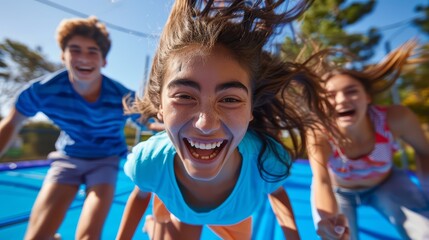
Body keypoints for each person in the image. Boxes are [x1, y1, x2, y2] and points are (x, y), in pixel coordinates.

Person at [121, 0, 346, 239]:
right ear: (160, 107)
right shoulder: (149, 161)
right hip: (181, 211)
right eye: (185, 96)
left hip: (234, 217)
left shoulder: (266, 160)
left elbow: (277, 192)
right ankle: (156, 224)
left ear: (251, 109)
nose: (206, 124)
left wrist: (293, 235)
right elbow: (141, 193)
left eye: (229, 100)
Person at [0, 16, 137, 239]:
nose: (84, 57)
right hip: (69, 159)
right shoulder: (43, 91)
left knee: (88, 236)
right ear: (63, 55)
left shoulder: (123, 97)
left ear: (104, 61)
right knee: (36, 236)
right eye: (75, 49)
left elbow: (151, 121)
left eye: (92, 51)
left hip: (106, 160)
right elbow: (12, 121)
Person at [308, 40, 429, 240]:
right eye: (330, 95)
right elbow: (321, 180)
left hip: (386, 183)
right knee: (336, 236)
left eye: (351, 91)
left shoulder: (396, 119)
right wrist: (329, 221)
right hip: (339, 190)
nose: (341, 100)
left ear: (368, 97)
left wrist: (426, 194)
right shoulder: (319, 133)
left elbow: (425, 153)